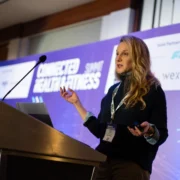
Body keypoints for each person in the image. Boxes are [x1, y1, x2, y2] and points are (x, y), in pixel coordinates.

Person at [60, 35, 168, 180]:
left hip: (131, 165)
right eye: (117, 53)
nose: (118, 58)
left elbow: (161, 134)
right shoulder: (113, 91)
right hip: (102, 162)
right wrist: (77, 104)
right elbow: (101, 131)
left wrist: (149, 131)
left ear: (138, 57)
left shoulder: (152, 90)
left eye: (125, 53)